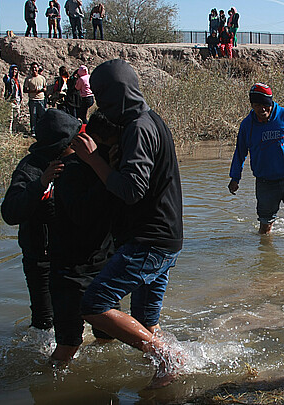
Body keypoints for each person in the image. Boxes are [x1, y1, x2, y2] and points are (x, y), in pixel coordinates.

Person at [71, 59, 184, 389]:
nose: (101, 107)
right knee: (146, 323)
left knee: (93, 305)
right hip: (165, 237)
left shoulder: (138, 127)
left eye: (103, 98)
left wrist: (93, 159)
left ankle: (168, 358)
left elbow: (132, 190)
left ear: (118, 94)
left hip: (148, 239)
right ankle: (167, 379)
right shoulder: (151, 119)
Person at [49, 110, 122, 363]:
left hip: (102, 265)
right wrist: (104, 171)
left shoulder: (104, 168)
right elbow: (82, 215)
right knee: (67, 347)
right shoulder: (70, 172)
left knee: (108, 340)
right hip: (70, 273)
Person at [0, 110, 75, 332]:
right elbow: (10, 213)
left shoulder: (77, 163)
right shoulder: (30, 169)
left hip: (72, 256)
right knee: (44, 324)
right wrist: (41, 183)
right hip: (40, 258)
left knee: (88, 311)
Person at [228, 83, 284, 235]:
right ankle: (266, 256)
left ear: (271, 103)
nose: (262, 110)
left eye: (265, 105)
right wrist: (235, 177)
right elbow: (240, 152)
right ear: (252, 105)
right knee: (265, 226)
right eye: (257, 105)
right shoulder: (247, 125)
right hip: (265, 182)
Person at [23, 62, 47, 137]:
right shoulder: (28, 79)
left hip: (41, 99)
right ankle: (33, 130)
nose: (34, 69)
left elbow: (45, 88)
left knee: (41, 116)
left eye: (35, 68)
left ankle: (41, 130)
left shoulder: (42, 78)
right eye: (32, 68)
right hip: (33, 99)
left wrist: (42, 90)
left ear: (38, 68)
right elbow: (25, 89)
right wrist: (33, 91)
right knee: (33, 116)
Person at [3, 64, 23, 134]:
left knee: (16, 117)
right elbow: (6, 81)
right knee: (10, 118)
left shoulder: (17, 80)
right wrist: (6, 78)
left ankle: (14, 131)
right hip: (11, 100)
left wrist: (20, 98)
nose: (14, 71)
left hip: (17, 101)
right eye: (13, 70)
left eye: (16, 70)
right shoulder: (9, 79)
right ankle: (9, 132)